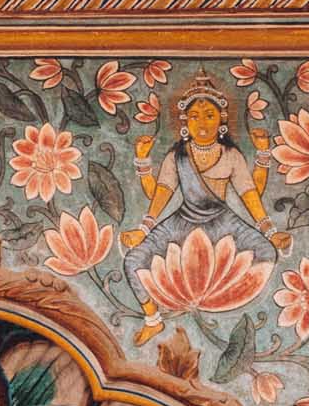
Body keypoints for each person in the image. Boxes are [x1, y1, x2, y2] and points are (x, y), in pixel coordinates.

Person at [120, 78, 290, 345]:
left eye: (209, 115)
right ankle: (152, 319)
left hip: (223, 221)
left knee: (267, 252)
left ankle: (223, 297)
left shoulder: (230, 155)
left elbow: (250, 194)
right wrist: (142, 229)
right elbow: (160, 193)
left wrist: (270, 231)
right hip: (182, 220)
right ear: (185, 122)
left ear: (220, 120)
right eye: (195, 116)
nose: (202, 123)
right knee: (132, 260)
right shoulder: (177, 157)